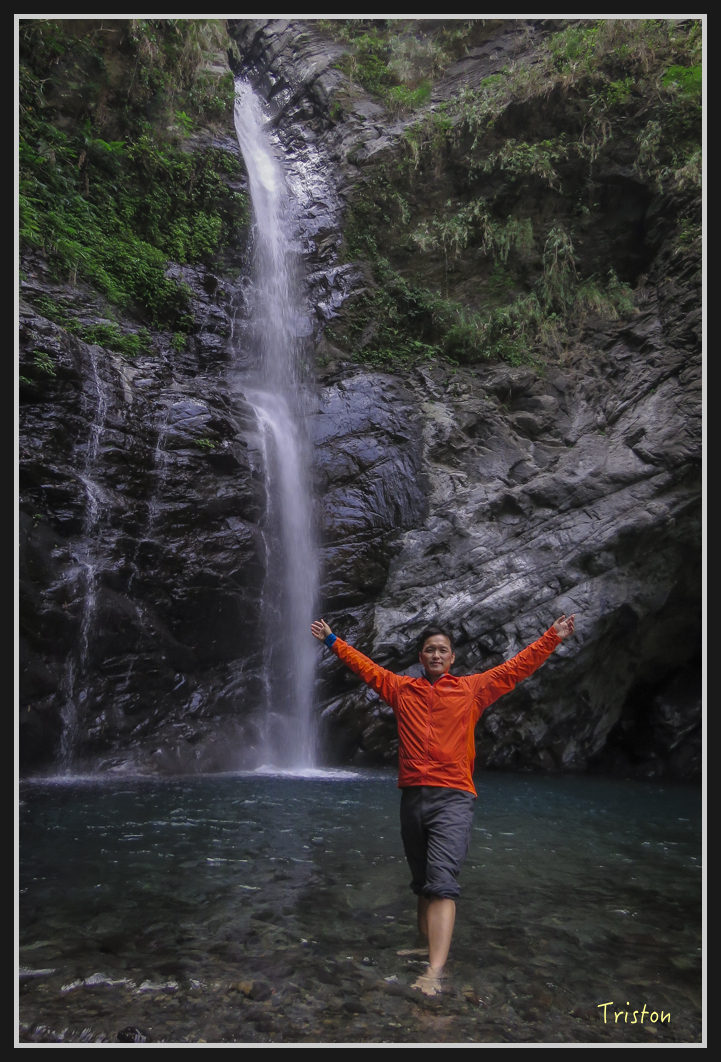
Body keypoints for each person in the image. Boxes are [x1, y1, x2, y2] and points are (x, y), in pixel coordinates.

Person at [310, 613, 576, 996]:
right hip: (413, 796)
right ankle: (424, 946)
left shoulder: (472, 689)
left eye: (443, 651)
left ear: (451, 659)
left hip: (453, 796)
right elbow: (366, 668)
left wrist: (552, 636)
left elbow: (516, 668)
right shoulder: (401, 689)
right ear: (422, 656)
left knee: (442, 884)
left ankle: (435, 971)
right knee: (422, 884)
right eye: (430, 650)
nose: (436, 655)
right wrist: (332, 640)